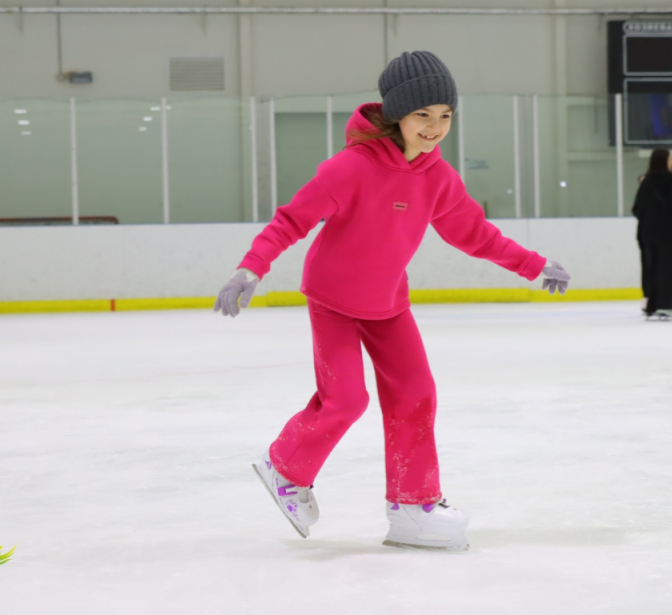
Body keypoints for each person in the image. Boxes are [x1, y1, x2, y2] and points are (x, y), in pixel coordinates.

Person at [212, 51, 570, 552]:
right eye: (423, 114)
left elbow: (475, 234)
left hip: (387, 305)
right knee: (347, 400)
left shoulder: (438, 178)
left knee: (417, 393)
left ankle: (412, 507)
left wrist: (533, 264)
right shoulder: (349, 169)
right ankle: (285, 467)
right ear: (397, 113)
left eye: (445, 116)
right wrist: (250, 268)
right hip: (333, 300)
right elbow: (291, 220)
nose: (435, 127)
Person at [633, 149, 672, 321]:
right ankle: (665, 305)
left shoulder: (647, 180)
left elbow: (636, 208)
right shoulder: (671, 180)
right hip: (667, 233)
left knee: (651, 268)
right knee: (666, 269)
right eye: (671, 158)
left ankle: (652, 304)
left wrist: (649, 218)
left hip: (648, 233)